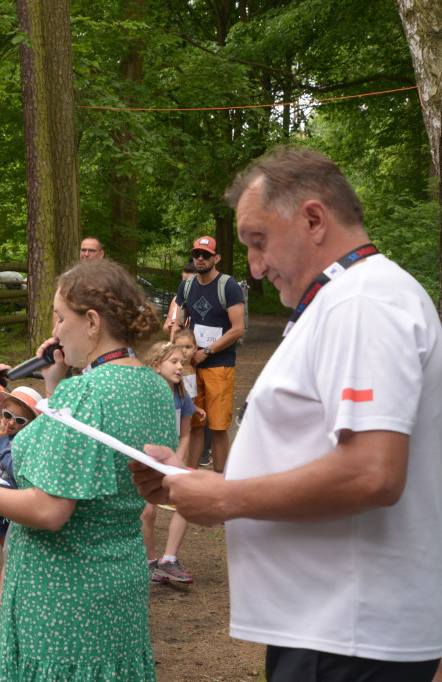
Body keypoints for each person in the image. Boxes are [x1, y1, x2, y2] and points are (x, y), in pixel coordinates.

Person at [132, 147, 442, 682]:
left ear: (314, 219)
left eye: (258, 241)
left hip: (349, 632)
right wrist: (197, 485)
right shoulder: (346, 301)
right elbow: (318, 455)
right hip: (331, 628)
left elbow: (373, 472)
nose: (254, 266)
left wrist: (226, 498)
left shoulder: (362, 303)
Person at [0, 260, 176, 680]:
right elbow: (84, 454)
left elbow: (50, 509)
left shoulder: (87, 394)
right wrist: (56, 383)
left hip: (63, 594)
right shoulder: (154, 387)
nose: (55, 331)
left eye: (60, 317)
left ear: (92, 322)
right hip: (119, 581)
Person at [165, 235, 244, 473]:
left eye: (206, 255)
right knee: (194, 424)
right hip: (191, 367)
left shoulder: (228, 286)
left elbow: (238, 328)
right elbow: (176, 323)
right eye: (196, 254)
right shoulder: (186, 285)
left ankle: (220, 480)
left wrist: (207, 351)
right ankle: (190, 477)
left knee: (219, 427)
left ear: (216, 258)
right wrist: (174, 352)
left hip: (219, 364)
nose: (200, 258)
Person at [139, 341, 199, 585]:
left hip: (172, 462)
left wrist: (179, 463)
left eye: (182, 363)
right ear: (155, 366)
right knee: (148, 511)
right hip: (146, 461)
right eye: (173, 362)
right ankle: (149, 563)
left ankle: (169, 559)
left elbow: (185, 434)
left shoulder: (182, 396)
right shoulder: (143, 395)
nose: (180, 368)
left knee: (187, 501)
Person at [0, 385, 41, 622]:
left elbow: (15, 469)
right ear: (0, 411)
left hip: (15, 508)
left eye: (20, 420)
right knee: (9, 555)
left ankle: (3, 602)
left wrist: (0, 444)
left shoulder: (22, 444)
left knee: (11, 556)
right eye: (8, 415)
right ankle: (15, 596)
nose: (10, 423)